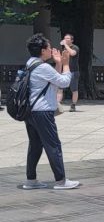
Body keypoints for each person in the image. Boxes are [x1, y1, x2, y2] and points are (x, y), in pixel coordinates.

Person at [20, 33, 80, 190]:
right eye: (48, 47)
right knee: (53, 145)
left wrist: (58, 63)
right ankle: (61, 180)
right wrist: (66, 64)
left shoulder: (30, 64)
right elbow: (64, 82)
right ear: (42, 50)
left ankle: (31, 180)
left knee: (35, 145)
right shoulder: (43, 67)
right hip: (43, 112)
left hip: (31, 111)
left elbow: (51, 81)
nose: (50, 50)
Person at [57, 33, 79, 113]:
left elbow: (73, 53)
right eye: (65, 38)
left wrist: (66, 45)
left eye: (68, 38)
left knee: (74, 89)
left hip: (73, 71)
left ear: (72, 40)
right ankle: (57, 104)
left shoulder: (75, 47)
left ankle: (73, 105)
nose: (65, 39)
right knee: (60, 88)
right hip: (65, 71)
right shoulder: (64, 49)